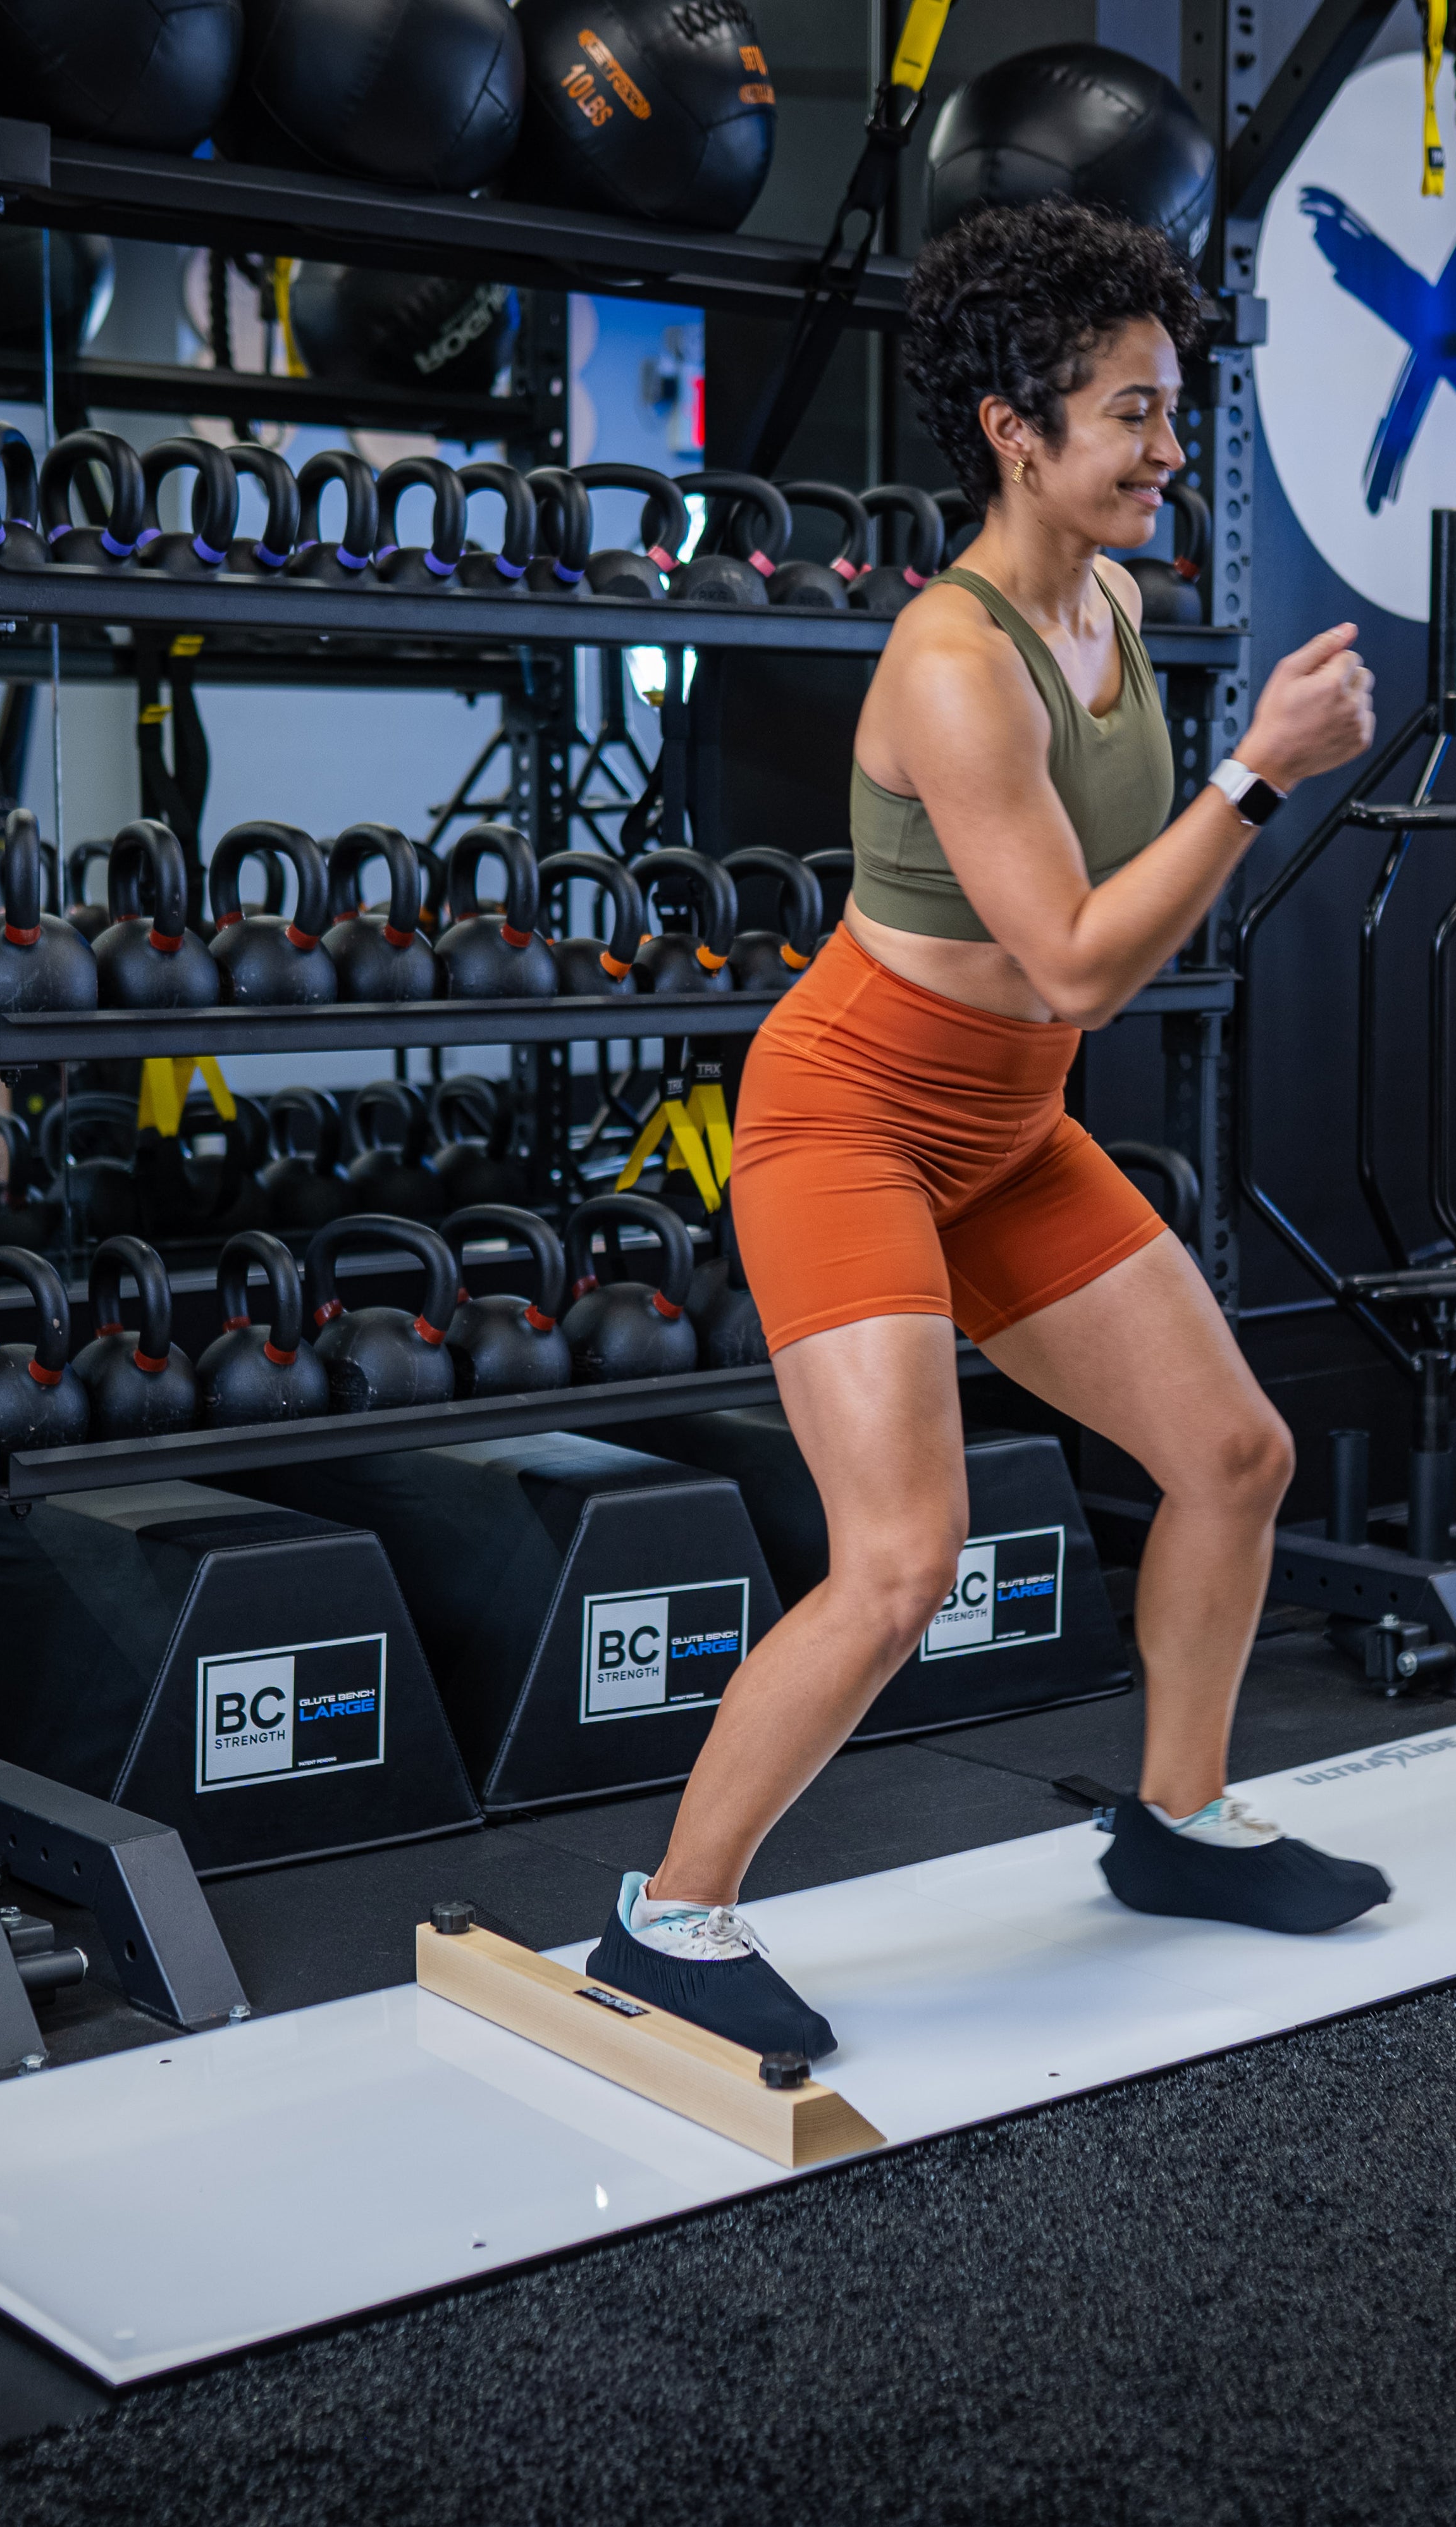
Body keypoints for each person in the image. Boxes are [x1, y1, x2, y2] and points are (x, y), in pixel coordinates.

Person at [587, 198, 1388, 2058]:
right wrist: (1257, 769)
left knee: (1233, 1453)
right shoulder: (952, 663)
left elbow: (1072, 970)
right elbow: (1082, 959)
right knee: (899, 1561)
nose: (1168, 448)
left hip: (1006, 1130)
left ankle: (1177, 1818)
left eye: (1170, 406)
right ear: (1016, 430)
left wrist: (1229, 784)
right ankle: (671, 1918)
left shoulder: (1102, 604)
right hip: (850, 1117)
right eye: (1131, 410)